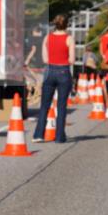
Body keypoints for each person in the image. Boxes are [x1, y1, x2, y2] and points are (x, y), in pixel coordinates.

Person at [34, 14, 74, 143]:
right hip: (63, 71)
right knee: (61, 106)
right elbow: (72, 60)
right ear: (66, 24)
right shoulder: (69, 39)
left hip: (50, 71)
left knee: (45, 105)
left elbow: (45, 59)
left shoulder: (47, 37)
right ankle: (59, 136)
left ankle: (39, 134)